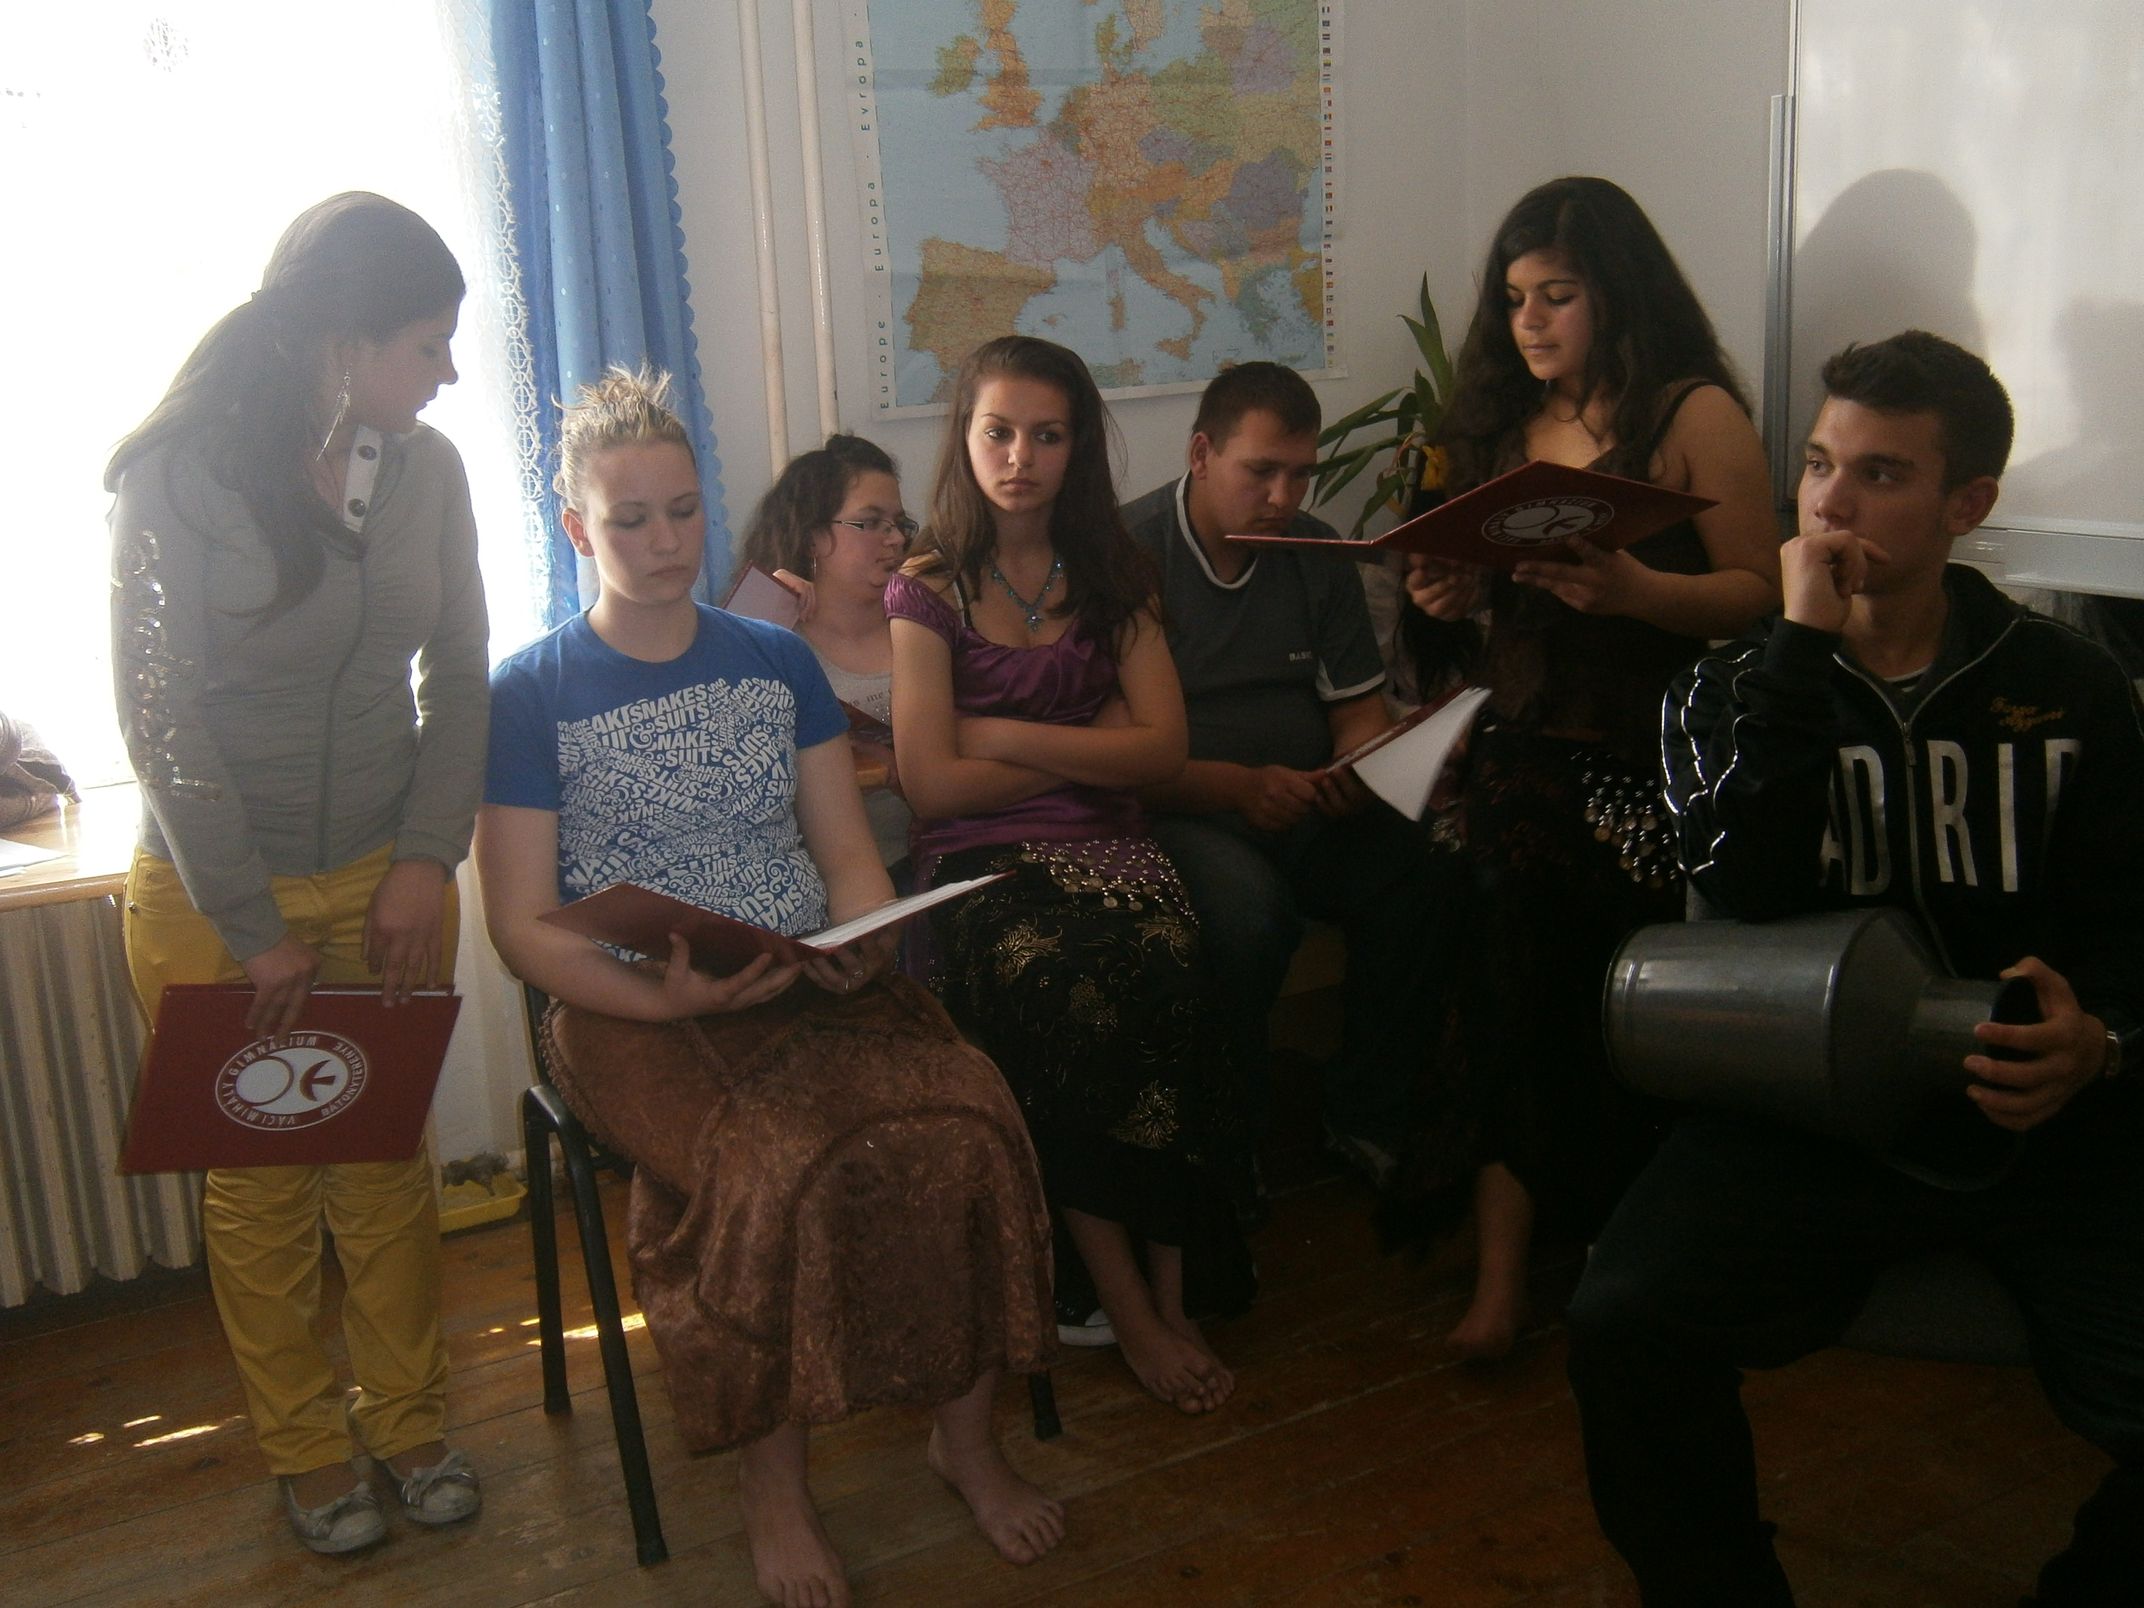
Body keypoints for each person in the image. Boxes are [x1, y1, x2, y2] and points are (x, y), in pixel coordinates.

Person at [1568, 331, 2144, 1608]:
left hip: (2036, 1118)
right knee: (1621, 1319)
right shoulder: (1725, 687)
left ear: (1964, 505)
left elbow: (2130, 921)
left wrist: (2100, 1040)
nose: (1828, 502)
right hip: (1803, 1112)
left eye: (1879, 474)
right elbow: (1739, 888)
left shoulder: (2067, 687)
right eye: (1818, 464)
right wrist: (1798, 651)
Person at [477, 368, 1060, 1608]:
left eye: (683, 510)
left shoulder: (773, 661)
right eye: (629, 519)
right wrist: (664, 1003)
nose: (664, 540)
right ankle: (774, 1483)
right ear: (576, 527)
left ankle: (965, 1441)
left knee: (971, 1117)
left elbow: (846, 857)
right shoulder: (528, 692)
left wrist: (861, 939)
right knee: (776, 1164)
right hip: (628, 1004)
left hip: (796, 969)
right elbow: (522, 928)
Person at [105, 192, 487, 1554]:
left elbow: (461, 675)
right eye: (429, 343)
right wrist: (253, 921)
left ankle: (411, 1423)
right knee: (265, 1191)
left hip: (386, 872)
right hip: (217, 899)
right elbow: (159, 717)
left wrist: (426, 858)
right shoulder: (180, 475)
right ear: (344, 338)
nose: (449, 372)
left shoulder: (428, 472)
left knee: (384, 1164)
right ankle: (307, 1452)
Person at [1400, 175, 1779, 1357]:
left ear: (1615, 292)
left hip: (1654, 752)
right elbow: (1485, 612)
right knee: (1496, 907)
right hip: (1521, 743)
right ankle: (1503, 1272)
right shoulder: (1495, 424)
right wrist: (1447, 593)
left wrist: (1639, 591)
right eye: (1513, 298)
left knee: (1542, 913)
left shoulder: (1688, 411)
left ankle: (1600, 1240)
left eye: (1555, 295)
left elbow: (1760, 597)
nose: (1528, 322)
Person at [887, 334, 1254, 1415]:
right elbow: (930, 784)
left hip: (1111, 843)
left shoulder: (1115, 576)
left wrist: (999, 732)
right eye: (998, 432)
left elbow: (1163, 752)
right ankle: (1123, 1300)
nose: (1020, 458)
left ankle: (1177, 1286)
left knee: (1175, 960)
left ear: (1077, 447)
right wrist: (1089, 740)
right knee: (1063, 986)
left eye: (1046, 436)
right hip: (977, 868)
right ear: (964, 439)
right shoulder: (926, 588)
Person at [1122, 361, 1468, 1184]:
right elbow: (1118, 758)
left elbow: (1356, 711)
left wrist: (1364, 767)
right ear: (1201, 454)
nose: (1283, 496)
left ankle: (1366, 1115)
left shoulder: (1315, 552)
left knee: (1426, 869)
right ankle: (1228, 1147)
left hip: (1303, 799)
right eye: (1261, 472)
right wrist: (1239, 788)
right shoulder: (1128, 555)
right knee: (1247, 917)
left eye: (1301, 474)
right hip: (1181, 812)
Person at [736, 435, 915, 878]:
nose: (895, 539)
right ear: (813, 536)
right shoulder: (775, 634)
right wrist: (763, 610)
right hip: (817, 874)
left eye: (899, 523)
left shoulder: (922, 620)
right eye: (870, 523)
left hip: (930, 855)